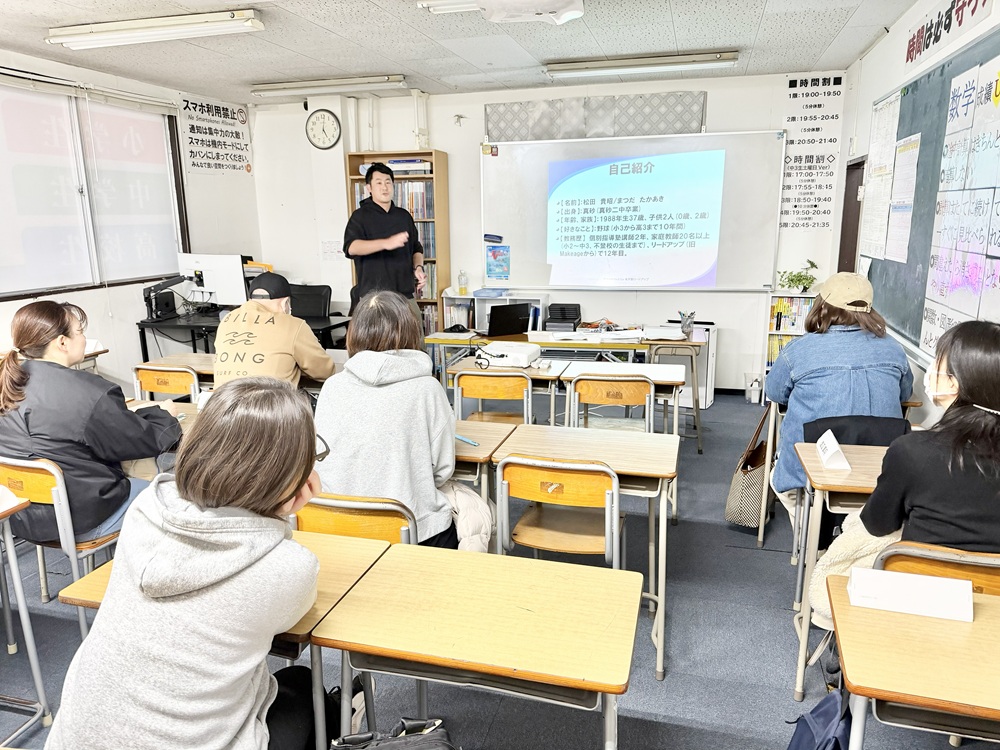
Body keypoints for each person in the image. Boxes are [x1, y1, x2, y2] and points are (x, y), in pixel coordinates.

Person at [46, 377, 344, 750]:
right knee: (303, 689)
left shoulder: (147, 507)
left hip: (78, 736)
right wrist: (282, 512)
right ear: (287, 475)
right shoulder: (290, 569)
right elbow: (287, 615)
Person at [810, 320, 1000, 623]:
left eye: (937, 360)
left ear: (954, 382)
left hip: (916, 601)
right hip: (992, 612)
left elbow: (878, 523)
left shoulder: (913, 451)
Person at [315, 290, 492, 551]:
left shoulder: (332, 386)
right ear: (411, 331)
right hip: (412, 532)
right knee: (478, 513)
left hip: (337, 528)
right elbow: (443, 470)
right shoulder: (427, 389)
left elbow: (321, 456)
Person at [0, 301, 180, 543]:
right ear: (62, 342)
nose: (84, 338)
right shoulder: (90, 392)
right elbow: (140, 441)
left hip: (23, 516)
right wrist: (165, 415)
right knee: (173, 491)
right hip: (84, 516)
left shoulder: (9, 385)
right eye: (80, 332)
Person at [764, 272, 913, 523]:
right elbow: (905, 394)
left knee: (782, 481)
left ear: (822, 306)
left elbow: (775, 392)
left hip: (812, 471)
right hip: (878, 473)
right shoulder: (893, 349)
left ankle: (810, 537)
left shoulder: (799, 350)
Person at [214, 272, 335, 388]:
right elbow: (324, 371)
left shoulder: (227, 319)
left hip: (221, 404)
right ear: (285, 302)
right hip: (268, 405)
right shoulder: (293, 325)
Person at [343, 163, 427, 322]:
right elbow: (351, 247)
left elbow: (416, 248)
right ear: (369, 188)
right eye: (379, 183)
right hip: (375, 299)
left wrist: (418, 268)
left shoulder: (403, 216)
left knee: (415, 344)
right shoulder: (360, 216)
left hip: (404, 296)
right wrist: (385, 243)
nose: (384, 187)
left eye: (388, 182)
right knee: (379, 345)